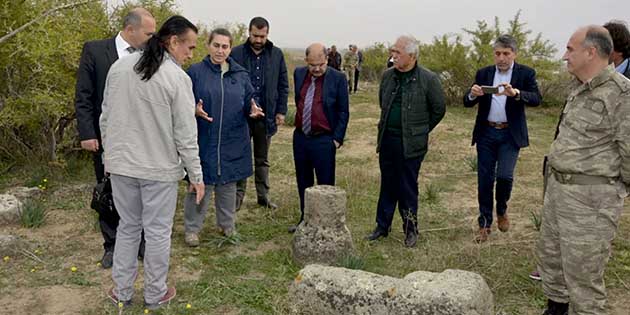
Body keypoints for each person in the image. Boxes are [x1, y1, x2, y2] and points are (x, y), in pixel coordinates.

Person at [99, 15, 205, 310]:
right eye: (190, 47)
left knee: (128, 227)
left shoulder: (119, 68)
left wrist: (110, 155)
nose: (191, 54)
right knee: (157, 232)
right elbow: (186, 134)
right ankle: (155, 294)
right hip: (158, 170)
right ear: (173, 42)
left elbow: (105, 118)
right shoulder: (177, 78)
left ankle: (122, 292)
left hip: (122, 167)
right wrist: (196, 175)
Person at [537, 25, 630, 315]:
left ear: (591, 52)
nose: (565, 56)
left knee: (583, 278)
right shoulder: (577, 87)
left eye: (569, 49)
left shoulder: (621, 93)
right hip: (558, 192)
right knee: (552, 262)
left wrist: (611, 192)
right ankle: (555, 309)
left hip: (590, 202)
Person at [74, 7, 155, 269]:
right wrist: (87, 133)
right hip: (107, 137)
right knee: (108, 191)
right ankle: (111, 245)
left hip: (142, 137)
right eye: (148, 32)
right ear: (130, 29)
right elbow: (84, 95)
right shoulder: (96, 51)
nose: (152, 38)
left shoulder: (150, 56)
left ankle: (140, 242)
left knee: (141, 192)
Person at [183, 28, 265, 246]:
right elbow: (181, 102)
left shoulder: (240, 75)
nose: (220, 50)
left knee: (228, 185)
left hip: (232, 137)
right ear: (208, 45)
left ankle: (227, 226)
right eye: (216, 45)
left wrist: (253, 109)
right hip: (205, 138)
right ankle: (192, 229)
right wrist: (193, 110)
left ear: (230, 48)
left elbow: (250, 100)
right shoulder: (195, 72)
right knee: (200, 183)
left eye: (225, 46)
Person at [365, 35, 445, 248]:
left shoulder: (428, 79)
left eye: (397, 52)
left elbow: (439, 110)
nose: (393, 55)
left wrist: (419, 131)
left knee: (407, 186)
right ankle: (382, 226)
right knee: (388, 183)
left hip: (411, 144)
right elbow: (383, 102)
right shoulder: (388, 76)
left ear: (411, 55)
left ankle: (410, 230)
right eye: (393, 51)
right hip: (388, 139)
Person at [463, 34, 541, 243]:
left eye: (506, 53)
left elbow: (536, 98)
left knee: (505, 177)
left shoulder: (526, 73)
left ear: (514, 54)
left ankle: (502, 210)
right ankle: (484, 223)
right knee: (485, 180)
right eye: (498, 53)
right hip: (487, 132)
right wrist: (472, 94)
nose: (501, 58)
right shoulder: (484, 73)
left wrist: (516, 93)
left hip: (510, 134)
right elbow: (466, 101)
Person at [289, 43, 349, 233]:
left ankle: (326, 224)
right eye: (312, 64)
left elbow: (343, 111)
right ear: (306, 61)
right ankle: (305, 221)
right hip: (301, 138)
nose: (316, 69)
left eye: (321, 64)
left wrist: (337, 139)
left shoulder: (338, 78)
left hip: (324, 140)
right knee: (303, 182)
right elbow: (299, 100)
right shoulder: (299, 74)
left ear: (327, 60)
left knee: (325, 184)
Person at [230, 17, 289, 211]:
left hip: (267, 116)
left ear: (267, 34)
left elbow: (283, 84)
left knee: (262, 159)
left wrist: (281, 111)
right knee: (240, 156)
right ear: (249, 32)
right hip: (241, 116)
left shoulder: (276, 54)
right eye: (255, 35)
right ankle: (237, 199)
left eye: (262, 36)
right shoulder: (236, 53)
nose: (258, 39)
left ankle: (263, 197)